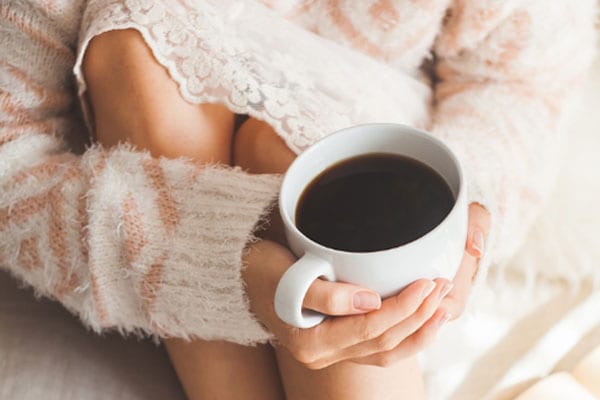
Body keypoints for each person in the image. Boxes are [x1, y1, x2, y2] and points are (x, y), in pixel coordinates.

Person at [0, 1, 595, 399]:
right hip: (150, 175)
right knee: (137, 39)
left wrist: (465, 209)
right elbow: (12, 165)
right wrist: (216, 265)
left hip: (379, 153)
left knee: (288, 149)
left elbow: (519, 82)